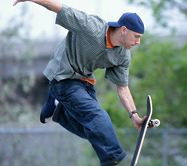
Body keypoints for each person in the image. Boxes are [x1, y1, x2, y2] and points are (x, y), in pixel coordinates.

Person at [14, 0, 147, 165]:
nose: (138, 42)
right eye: (136, 37)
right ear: (124, 30)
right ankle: (111, 160)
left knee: (92, 130)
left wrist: (134, 115)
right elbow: (59, 8)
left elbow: (122, 87)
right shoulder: (91, 26)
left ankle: (56, 106)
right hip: (63, 77)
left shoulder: (123, 56)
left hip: (84, 82)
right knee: (98, 117)